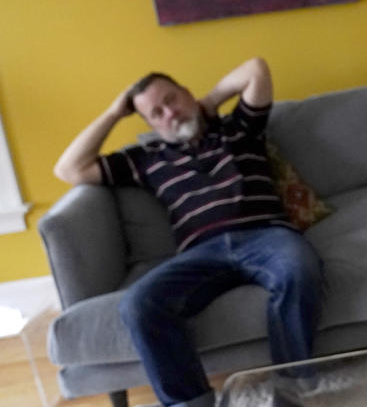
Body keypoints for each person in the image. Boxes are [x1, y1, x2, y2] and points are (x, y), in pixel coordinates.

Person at [53, 58, 323, 407]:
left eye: (172, 100)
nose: (169, 114)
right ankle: (191, 403)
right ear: (151, 124)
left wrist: (207, 103)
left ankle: (291, 389)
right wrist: (113, 112)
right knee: (139, 303)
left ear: (187, 94)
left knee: (299, 268)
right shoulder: (145, 159)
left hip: (266, 236)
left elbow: (256, 69)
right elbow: (68, 169)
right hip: (201, 253)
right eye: (156, 113)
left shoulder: (240, 129)